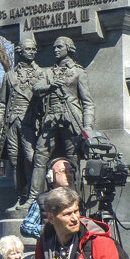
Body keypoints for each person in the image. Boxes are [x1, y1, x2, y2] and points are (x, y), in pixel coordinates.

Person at [30, 38, 94, 197]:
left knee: (73, 159)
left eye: (59, 47)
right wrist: (50, 86)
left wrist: (88, 127)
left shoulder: (78, 72)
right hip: (50, 118)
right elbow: (36, 88)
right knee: (40, 156)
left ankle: (76, 197)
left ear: (69, 49)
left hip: (71, 119)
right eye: (54, 47)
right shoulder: (48, 72)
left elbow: (88, 102)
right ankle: (33, 198)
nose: (55, 50)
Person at [0, 39, 45, 207]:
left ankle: (37, 197)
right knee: (14, 161)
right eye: (28, 49)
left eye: (34, 49)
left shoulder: (42, 74)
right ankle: (21, 196)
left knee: (31, 158)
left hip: (31, 123)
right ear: (19, 51)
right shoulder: (9, 76)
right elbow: (2, 104)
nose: (32, 52)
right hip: (12, 122)